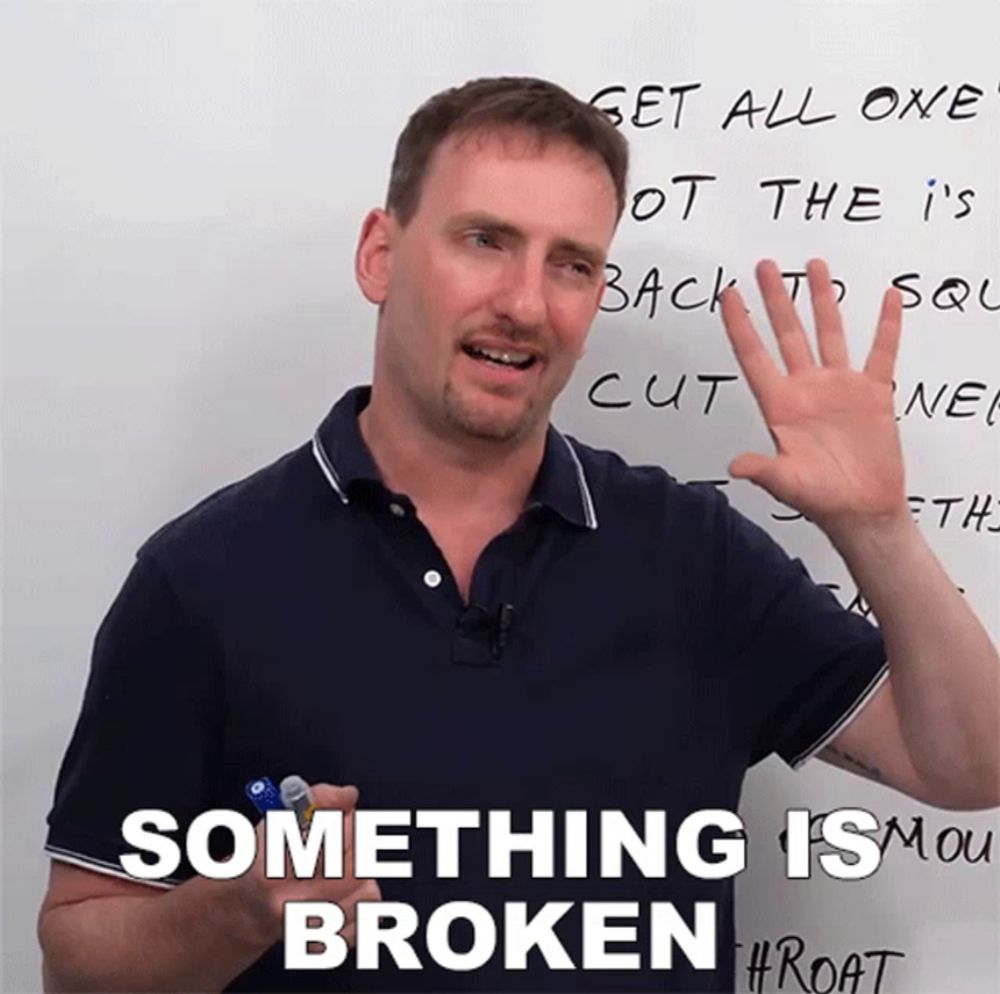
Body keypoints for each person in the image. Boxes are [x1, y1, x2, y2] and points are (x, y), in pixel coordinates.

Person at [37, 76, 999, 993]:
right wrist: (237, 910)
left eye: (571, 264)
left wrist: (878, 529)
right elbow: (78, 958)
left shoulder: (693, 556)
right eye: (485, 240)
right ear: (381, 253)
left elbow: (969, 765)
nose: (527, 303)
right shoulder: (204, 580)